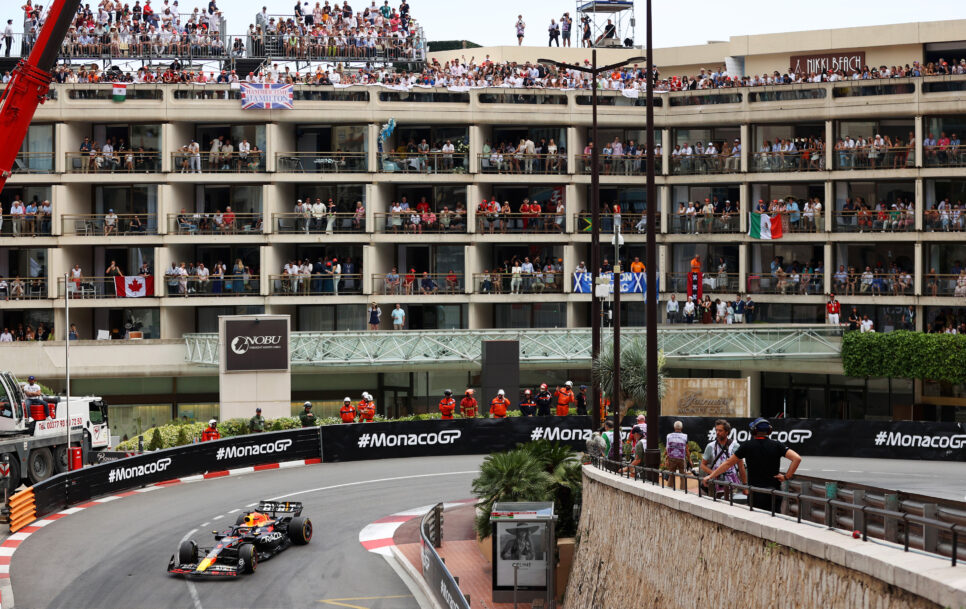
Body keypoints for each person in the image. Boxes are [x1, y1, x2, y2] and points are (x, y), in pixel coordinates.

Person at [704, 418, 802, 511]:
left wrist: (711, 476)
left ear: (753, 431)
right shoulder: (777, 445)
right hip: (774, 492)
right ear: (769, 431)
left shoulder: (747, 446)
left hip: (755, 493)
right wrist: (786, 476)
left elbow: (728, 463)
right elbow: (797, 458)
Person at [699, 419, 746, 500]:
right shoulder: (710, 446)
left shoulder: (735, 446)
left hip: (732, 484)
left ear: (727, 432)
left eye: (720, 430)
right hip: (715, 483)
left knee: (731, 506)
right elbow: (702, 465)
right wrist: (714, 473)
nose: (717, 432)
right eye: (716, 430)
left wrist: (745, 486)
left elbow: (741, 467)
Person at [665, 421, 692, 488]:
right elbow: (687, 449)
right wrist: (689, 459)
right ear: (681, 427)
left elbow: (667, 449)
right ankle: (682, 492)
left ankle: (669, 490)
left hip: (671, 458)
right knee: (683, 476)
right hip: (681, 458)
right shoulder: (685, 436)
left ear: (674, 427)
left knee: (671, 475)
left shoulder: (669, 436)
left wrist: (667, 459)